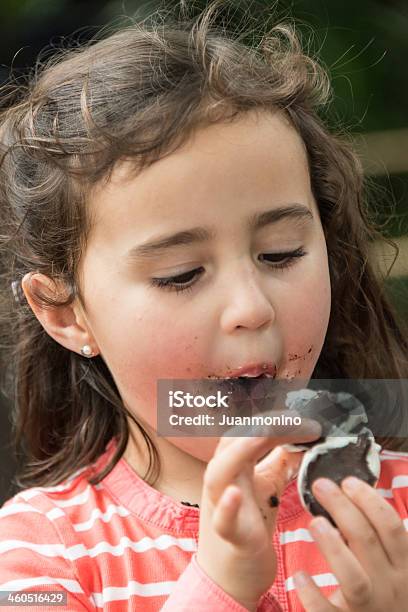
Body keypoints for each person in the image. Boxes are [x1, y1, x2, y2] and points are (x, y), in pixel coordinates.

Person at [0, 2, 407, 610]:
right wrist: (220, 586)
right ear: (64, 312)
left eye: (281, 253)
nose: (250, 308)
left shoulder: (395, 504)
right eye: (180, 274)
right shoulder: (37, 551)